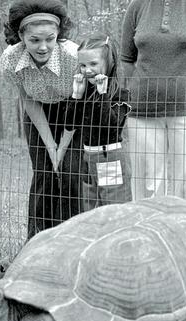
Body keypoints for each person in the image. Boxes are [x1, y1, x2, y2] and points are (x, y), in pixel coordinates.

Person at [120, 0, 186, 208]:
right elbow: (126, 59)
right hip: (143, 112)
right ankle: (147, 238)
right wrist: (136, 90)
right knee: (146, 190)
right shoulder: (137, 6)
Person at [0, 0, 82, 240]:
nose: (43, 47)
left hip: (74, 113)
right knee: (44, 174)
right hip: (38, 113)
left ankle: (70, 240)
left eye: (50, 39)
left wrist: (62, 147)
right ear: (21, 36)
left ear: (58, 35)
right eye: (35, 40)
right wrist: (50, 145)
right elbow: (28, 100)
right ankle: (36, 241)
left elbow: (80, 104)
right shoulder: (11, 60)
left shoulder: (73, 56)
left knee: (70, 173)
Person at [62, 34, 132, 212]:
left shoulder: (120, 94)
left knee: (113, 211)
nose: (87, 70)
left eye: (93, 64)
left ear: (109, 63)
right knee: (91, 211)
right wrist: (76, 96)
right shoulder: (85, 91)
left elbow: (111, 130)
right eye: (83, 65)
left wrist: (103, 96)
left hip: (109, 158)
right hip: (87, 159)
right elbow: (70, 124)